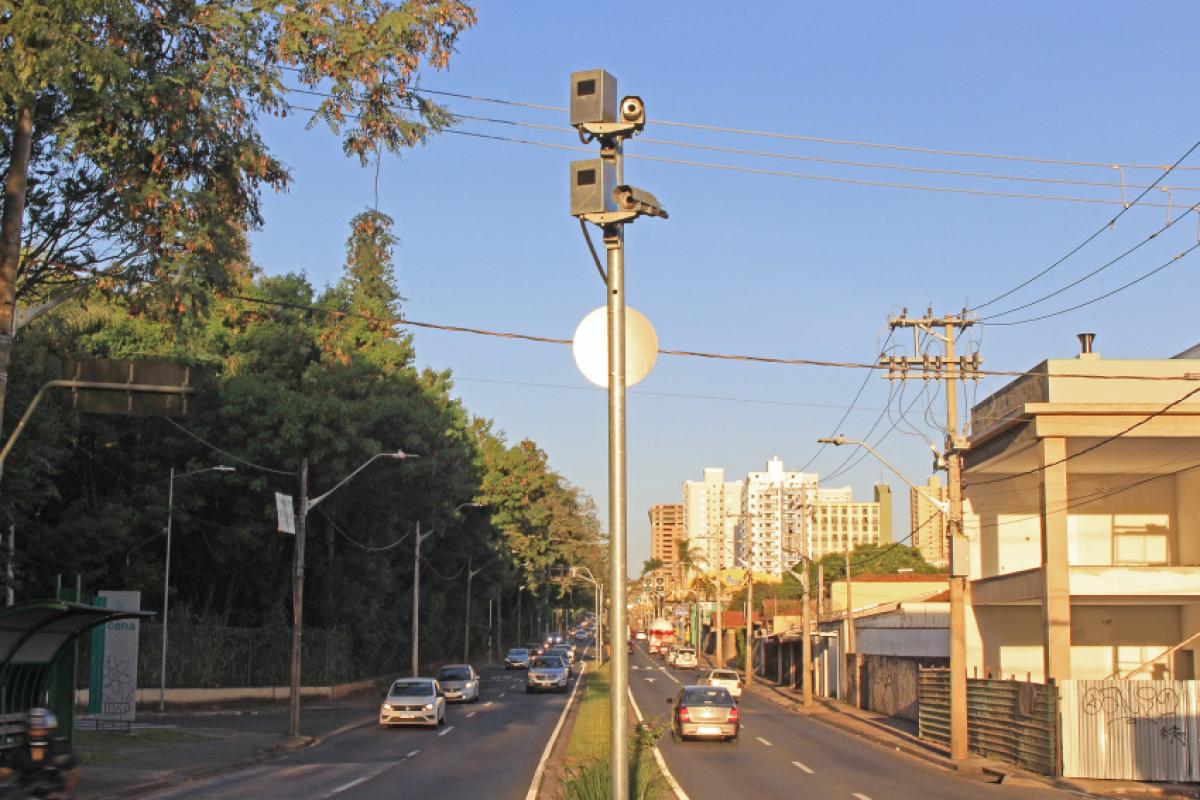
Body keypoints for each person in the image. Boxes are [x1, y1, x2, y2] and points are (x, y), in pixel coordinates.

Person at [0, 709, 79, 799]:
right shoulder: (19, 752)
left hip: (55, 793)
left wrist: (63, 793)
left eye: (40, 729)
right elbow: (5, 771)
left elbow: (73, 773)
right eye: (33, 729)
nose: (36, 733)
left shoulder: (60, 749)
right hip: (28, 793)